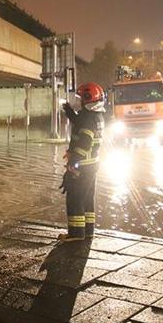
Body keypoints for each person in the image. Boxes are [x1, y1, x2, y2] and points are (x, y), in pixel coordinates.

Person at [59, 82, 105, 242]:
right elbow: (81, 123)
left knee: (75, 198)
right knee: (87, 198)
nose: (78, 102)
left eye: (80, 98)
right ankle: (88, 231)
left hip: (83, 165)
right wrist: (70, 113)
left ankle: (76, 234)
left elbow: (84, 142)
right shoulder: (96, 116)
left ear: (87, 98)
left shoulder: (87, 118)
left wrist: (73, 163)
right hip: (92, 164)